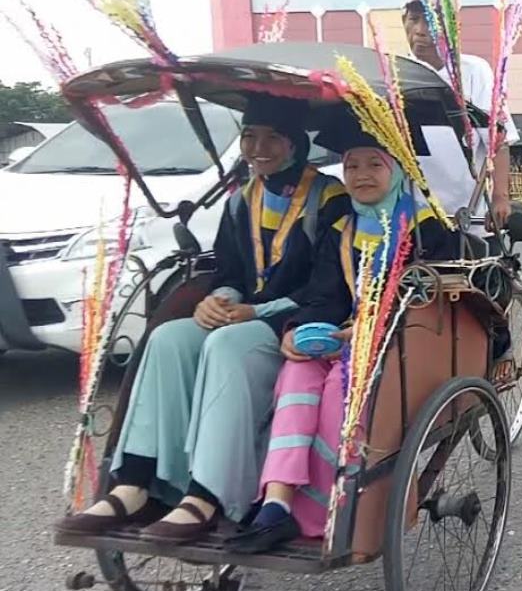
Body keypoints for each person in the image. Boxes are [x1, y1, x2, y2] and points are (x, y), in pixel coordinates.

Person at [55, 94, 350, 542]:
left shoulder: (330, 199)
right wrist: (219, 299)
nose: (259, 149)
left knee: (226, 344)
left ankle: (208, 495)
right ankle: (136, 483)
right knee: (169, 339)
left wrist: (255, 311)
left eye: (273, 138)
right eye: (250, 137)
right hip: (244, 315)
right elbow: (230, 272)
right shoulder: (241, 200)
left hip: (299, 320)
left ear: (296, 144)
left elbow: (329, 288)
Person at [226, 130, 456, 553]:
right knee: (296, 372)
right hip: (344, 335)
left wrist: (374, 328)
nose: (361, 174)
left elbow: (431, 296)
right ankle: (276, 502)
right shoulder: (342, 227)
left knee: (338, 387)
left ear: (397, 171)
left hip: (400, 340)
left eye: (374, 164)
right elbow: (324, 294)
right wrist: (299, 329)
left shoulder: (427, 227)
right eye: (351, 165)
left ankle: (320, 511)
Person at [402, 0, 518, 234]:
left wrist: (500, 197)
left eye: (431, 22)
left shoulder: (475, 71)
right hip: (414, 218)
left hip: (469, 215)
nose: (420, 30)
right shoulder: (395, 73)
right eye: (414, 20)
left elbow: (499, 141)